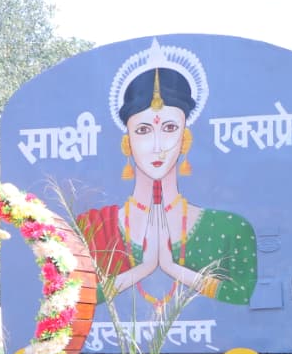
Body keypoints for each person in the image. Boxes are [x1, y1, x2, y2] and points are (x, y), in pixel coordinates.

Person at [78, 40, 258, 307]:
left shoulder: (230, 228)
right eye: (143, 130)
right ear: (127, 142)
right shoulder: (93, 228)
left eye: (170, 128)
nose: (157, 146)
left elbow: (242, 294)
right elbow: (75, 298)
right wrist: (142, 269)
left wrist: (174, 269)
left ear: (185, 138)